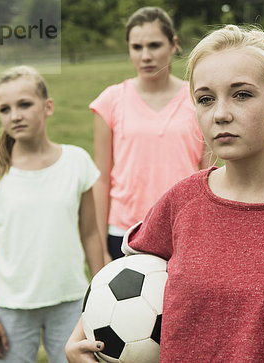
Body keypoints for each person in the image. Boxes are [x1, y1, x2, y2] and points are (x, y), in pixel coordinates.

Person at [66, 25, 264, 362]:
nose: (220, 114)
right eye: (205, 99)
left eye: (241, 94)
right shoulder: (182, 201)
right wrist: (77, 341)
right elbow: (119, 285)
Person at [0, 65, 105, 362]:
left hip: (70, 301)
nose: (15, 115)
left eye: (24, 104)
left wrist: (101, 296)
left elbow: (91, 233)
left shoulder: (76, 162)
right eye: (5, 109)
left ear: (47, 106)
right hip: (11, 307)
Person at [90, 6, 212, 263]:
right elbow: (101, 179)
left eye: (155, 45)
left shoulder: (199, 100)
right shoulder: (110, 101)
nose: (146, 56)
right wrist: (100, 245)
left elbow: (209, 174)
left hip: (183, 229)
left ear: (173, 44)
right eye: (137, 47)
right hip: (125, 231)